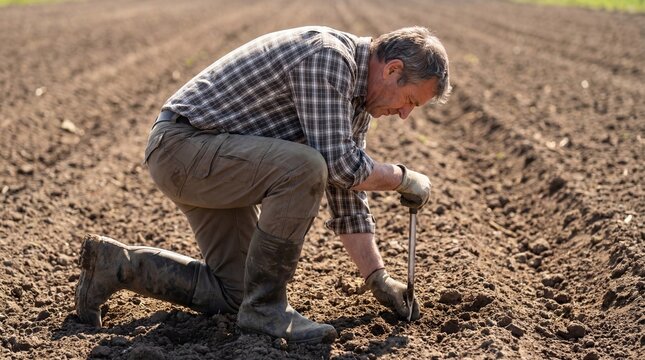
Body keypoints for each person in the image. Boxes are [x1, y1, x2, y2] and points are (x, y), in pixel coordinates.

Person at [75, 25, 450, 344]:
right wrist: (403, 178)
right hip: (183, 150)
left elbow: (346, 191)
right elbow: (339, 167)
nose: (403, 115)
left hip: (215, 160)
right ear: (392, 69)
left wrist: (377, 278)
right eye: (410, 101)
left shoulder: (355, 101)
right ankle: (268, 309)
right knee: (305, 166)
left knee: (236, 294)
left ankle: (117, 266)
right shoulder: (328, 57)